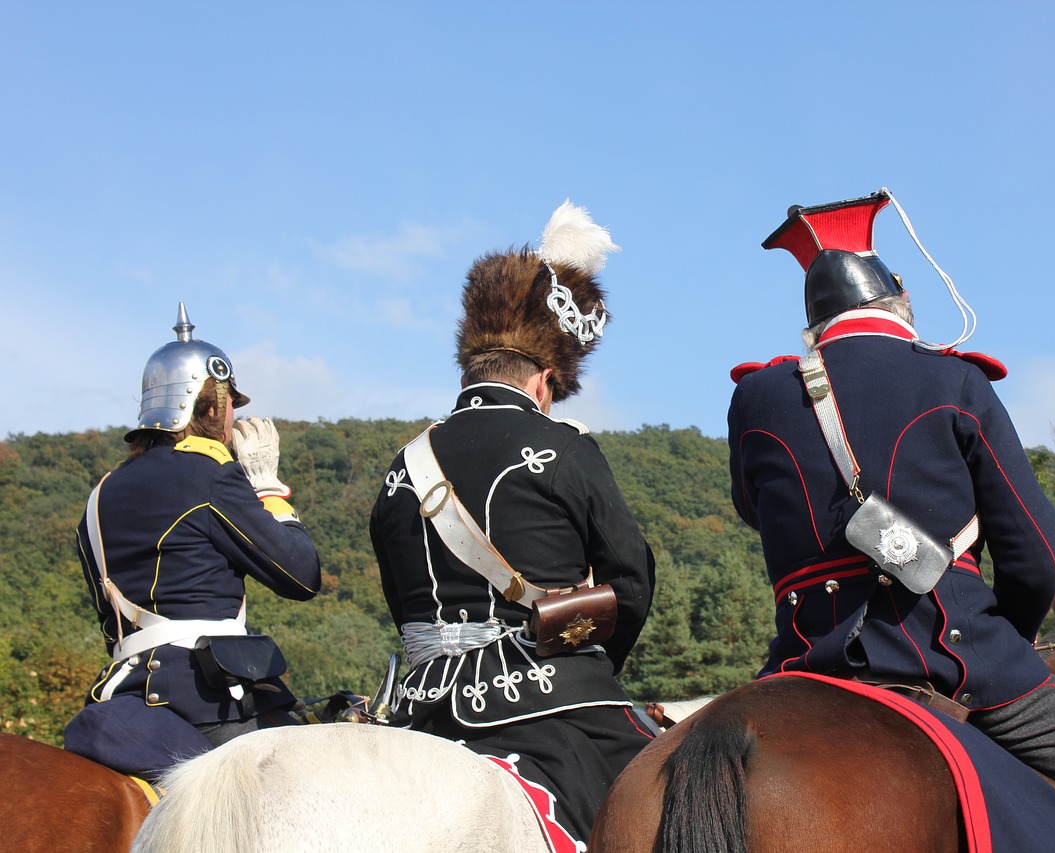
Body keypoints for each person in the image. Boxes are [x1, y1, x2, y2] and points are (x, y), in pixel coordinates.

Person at [727, 190, 1055, 853]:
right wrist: (1003, 641)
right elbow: (1038, 558)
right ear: (899, 303)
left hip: (802, 660)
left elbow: (752, 510)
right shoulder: (955, 382)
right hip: (953, 655)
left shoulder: (756, 398)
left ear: (814, 317)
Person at [370, 201, 656, 846]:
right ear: (547, 380)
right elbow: (631, 582)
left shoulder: (399, 467)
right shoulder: (566, 446)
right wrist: (584, 656)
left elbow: (399, 600)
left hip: (415, 706)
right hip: (547, 699)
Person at [64, 304, 321, 779]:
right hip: (206, 698)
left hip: (121, 695)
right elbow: (301, 575)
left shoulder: (98, 494)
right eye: (229, 409)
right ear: (207, 408)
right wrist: (266, 485)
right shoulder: (210, 475)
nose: (232, 425)